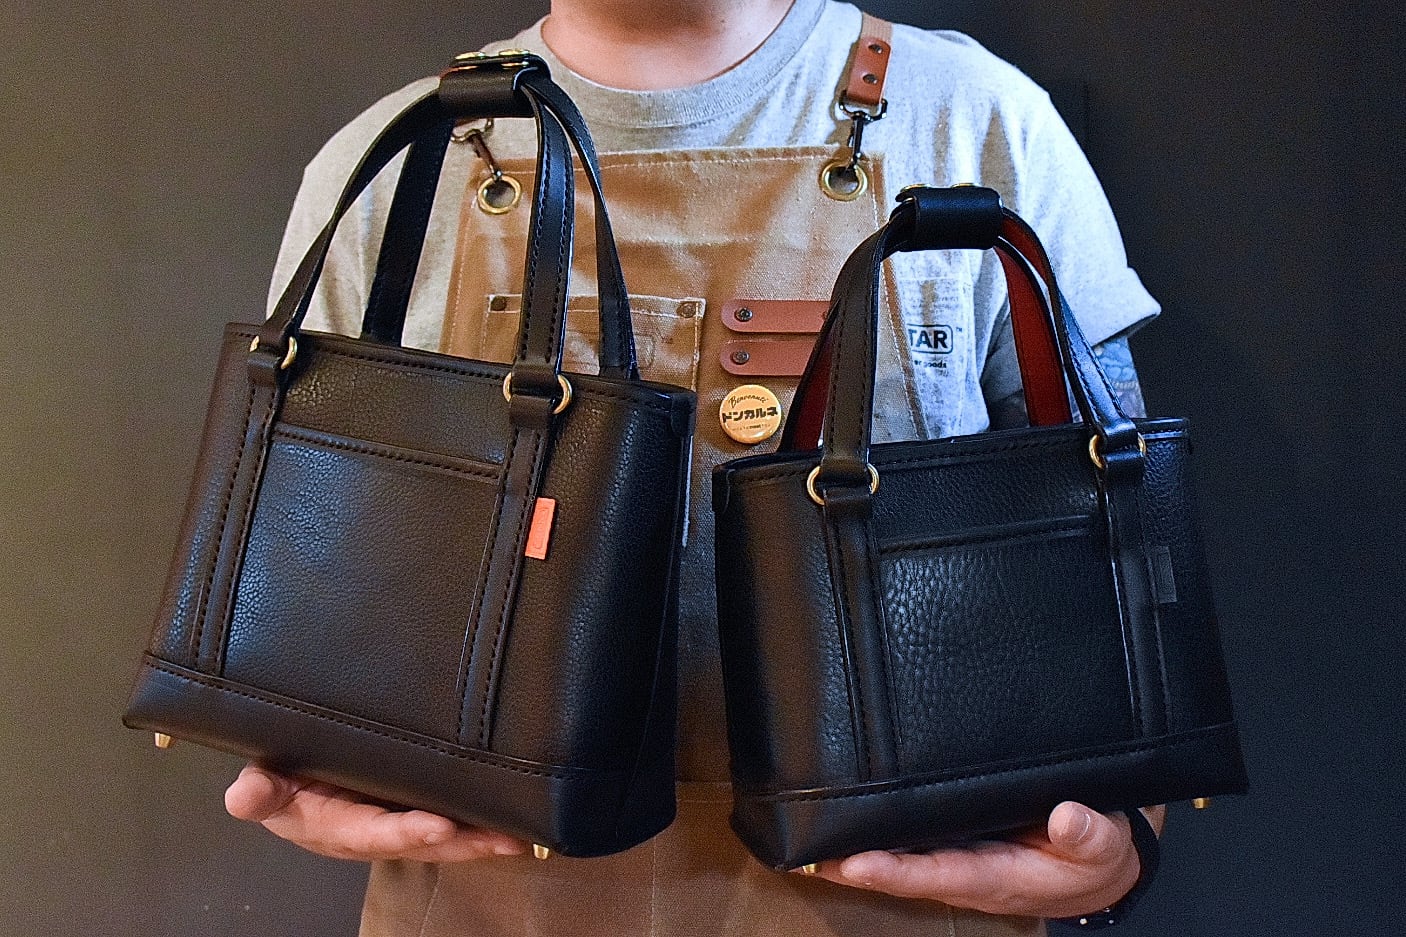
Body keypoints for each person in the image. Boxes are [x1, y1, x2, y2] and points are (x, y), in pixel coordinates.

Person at [226, 0, 1167, 933]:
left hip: (899, 898)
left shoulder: (978, 121)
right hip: (482, 893)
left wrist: (1123, 850)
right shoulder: (391, 162)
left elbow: (1125, 531)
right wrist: (305, 762)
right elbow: (308, 556)